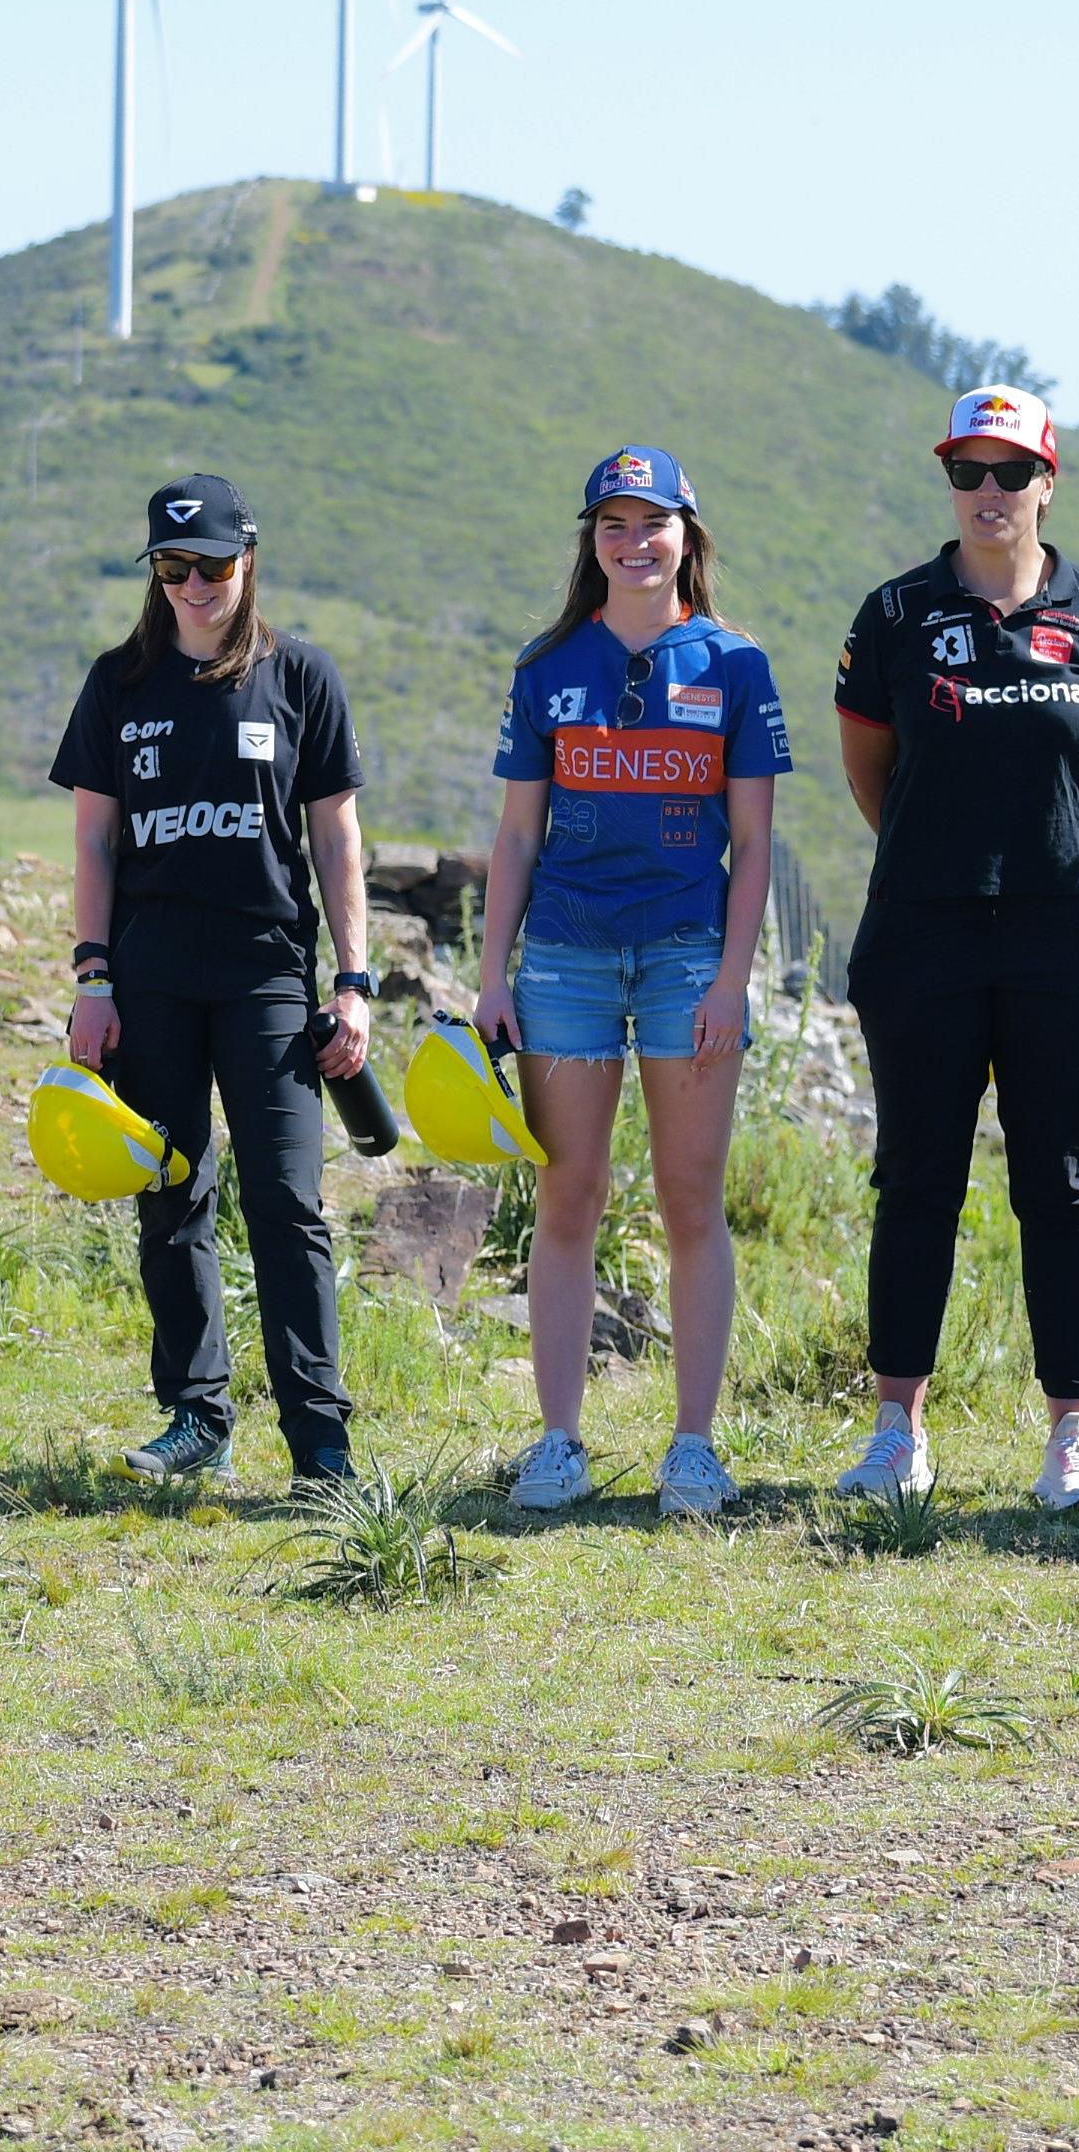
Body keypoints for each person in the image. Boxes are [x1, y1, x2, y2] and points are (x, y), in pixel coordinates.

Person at [826, 385, 1079, 1516]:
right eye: (967, 471)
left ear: (1047, 483)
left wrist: (1039, 855)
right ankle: (896, 1434)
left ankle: (1073, 1436)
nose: (988, 493)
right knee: (916, 1175)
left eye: (1010, 473)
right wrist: (944, 858)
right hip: (923, 924)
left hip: (1067, 925)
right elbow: (872, 770)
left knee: (1061, 1180)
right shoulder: (894, 614)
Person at [473, 446, 789, 1521]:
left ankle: (693, 1448)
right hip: (562, 957)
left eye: (653, 523)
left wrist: (732, 982)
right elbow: (517, 837)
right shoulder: (547, 664)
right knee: (568, 1196)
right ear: (591, 542)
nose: (634, 542)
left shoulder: (736, 665)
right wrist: (491, 978)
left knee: (691, 1199)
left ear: (687, 537)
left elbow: (754, 844)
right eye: (613, 525)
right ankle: (558, 1441)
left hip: (687, 959)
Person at [50, 475, 376, 1484]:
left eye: (213, 565)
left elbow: (337, 837)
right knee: (172, 1194)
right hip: (148, 980)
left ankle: (321, 1442)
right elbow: (96, 843)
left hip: (269, 977)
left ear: (248, 558)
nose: (194, 584)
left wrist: (356, 981)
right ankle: (198, 1417)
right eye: (172, 566)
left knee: (288, 1201)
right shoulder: (120, 681)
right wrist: (92, 976)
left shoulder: (302, 678)